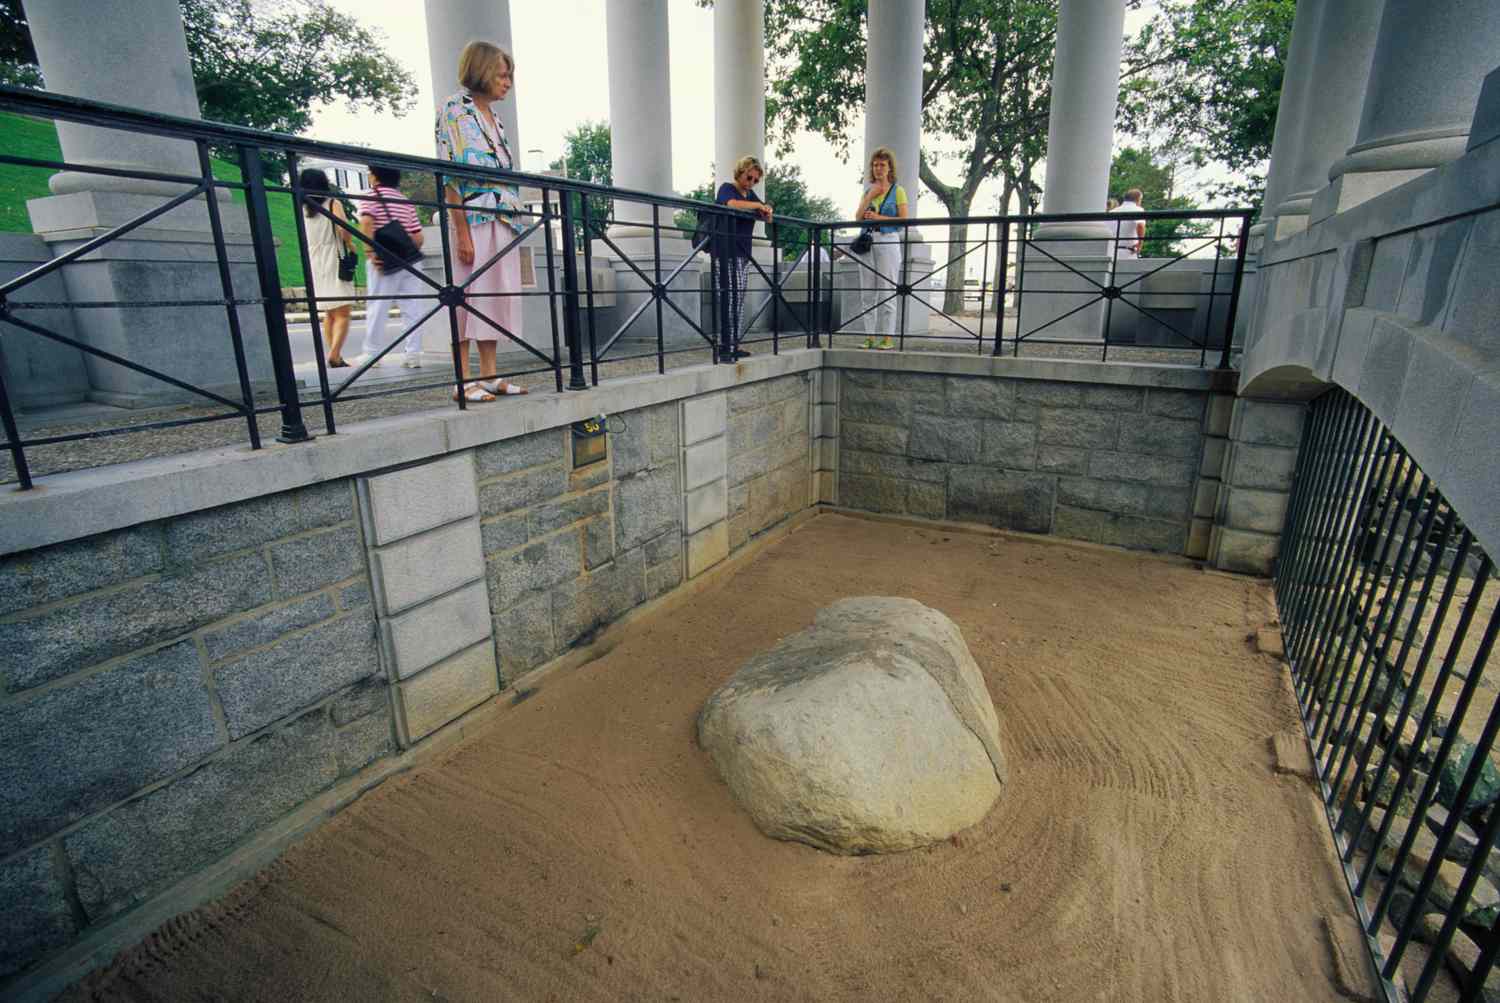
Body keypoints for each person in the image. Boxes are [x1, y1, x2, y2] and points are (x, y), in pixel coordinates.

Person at [435, 40, 528, 401]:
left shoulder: (494, 118)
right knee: (463, 296)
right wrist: (461, 232)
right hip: (473, 216)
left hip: (502, 216)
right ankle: (462, 381)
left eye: (509, 76)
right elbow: (450, 175)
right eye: (502, 75)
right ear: (483, 71)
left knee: (492, 295)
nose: (508, 83)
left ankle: (490, 374)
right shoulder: (455, 110)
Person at [359, 164, 426, 369]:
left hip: (384, 260)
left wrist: (370, 252)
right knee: (412, 308)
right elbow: (418, 237)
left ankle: (372, 355)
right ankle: (413, 354)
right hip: (410, 261)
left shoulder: (371, 196)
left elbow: (366, 223)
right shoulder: (404, 200)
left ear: (375, 176)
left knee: (378, 307)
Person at [714, 155, 773, 360]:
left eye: (756, 180)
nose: (752, 182)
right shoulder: (727, 188)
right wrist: (757, 206)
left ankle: (733, 343)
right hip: (726, 252)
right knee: (729, 298)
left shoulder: (750, 195)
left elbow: (766, 216)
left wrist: (767, 210)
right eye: (749, 177)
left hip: (743, 252)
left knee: (738, 299)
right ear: (740, 172)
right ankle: (725, 345)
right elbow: (731, 204)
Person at [851, 146, 908, 350]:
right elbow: (857, 217)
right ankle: (869, 336)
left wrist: (878, 217)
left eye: (882, 165)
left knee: (887, 289)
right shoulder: (869, 191)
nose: (878, 168)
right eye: (875, 165)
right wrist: (869, 196)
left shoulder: (898, 191)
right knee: (867, 291)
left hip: (888, 240)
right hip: (868, 241)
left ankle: (887, 337)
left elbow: (904, 220)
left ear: (889, 167)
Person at [299, 168, 357, 368]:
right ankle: (334, 354)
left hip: (314, 260)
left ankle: (335, 355)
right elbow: (343, 229)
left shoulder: (303, 209)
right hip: (333, 256)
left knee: (329, 312)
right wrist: (351, 245)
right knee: (343, 312)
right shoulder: (333, 203)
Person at [1111, 188, 1145, 259]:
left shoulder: (1112, 212)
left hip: (1111, 251)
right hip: (1128, 252)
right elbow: (1140, 226)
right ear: (1138, 199)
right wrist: (1140, 244)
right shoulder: (1138, 210)